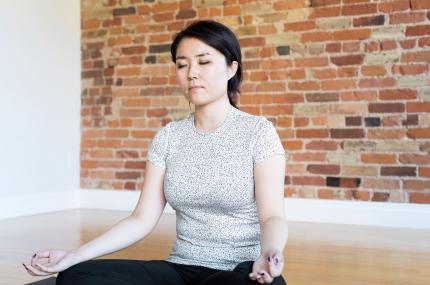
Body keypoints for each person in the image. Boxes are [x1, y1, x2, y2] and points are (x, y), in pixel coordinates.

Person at [23, 20, 288, 285]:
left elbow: (272, 216)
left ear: (232, 68)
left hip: (240, 273)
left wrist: (269, 253)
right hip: (181, 269)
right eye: (182, 65)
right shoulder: (168, 137)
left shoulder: (258, 133)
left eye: (203, 62)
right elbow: (141, 219)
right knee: (75, 276)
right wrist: (74, 255)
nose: (191, 73)